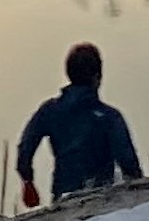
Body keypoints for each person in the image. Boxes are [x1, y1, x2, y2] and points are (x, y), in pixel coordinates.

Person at [15, 40, 141, 208]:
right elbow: (128, 163)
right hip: (101, 196)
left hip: (63, 195)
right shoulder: (109, 117)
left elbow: (25, 148)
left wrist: (28, 181)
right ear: (98, 77)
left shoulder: (49, 111)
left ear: (68, 74)